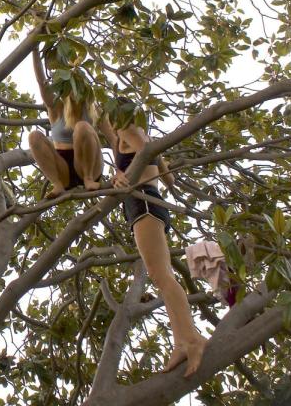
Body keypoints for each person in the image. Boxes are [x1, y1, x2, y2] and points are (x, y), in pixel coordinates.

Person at [99, 103, 208, 377]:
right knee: (161, 275)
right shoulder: (121, 137)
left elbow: (148, 149)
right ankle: (182, 341)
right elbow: (165, 173)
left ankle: (192, 340)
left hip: (144, 202)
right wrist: (120, 174)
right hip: (144, 205)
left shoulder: (129, 129)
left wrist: (123, 174)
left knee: (162, 276)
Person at [27, 47, 103, 198]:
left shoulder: (94, 110)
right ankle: (57, 184)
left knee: (82, 126)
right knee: (34, 136)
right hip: (63, 168)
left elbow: (114, 140)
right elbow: (42, 82)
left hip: (89, 165)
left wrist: (120, 172)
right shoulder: (56, 108)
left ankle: (88, 178)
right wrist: (34, 49)